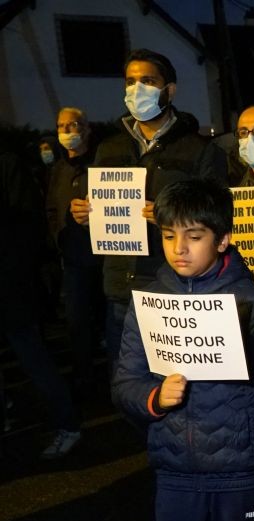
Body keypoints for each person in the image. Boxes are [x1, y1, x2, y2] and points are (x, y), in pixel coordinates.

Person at [111, 179, 254, 521]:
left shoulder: (253, 304)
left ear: (222, 239)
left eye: (194, 237)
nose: (179, 248)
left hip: (242, 475)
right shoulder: (148, 302)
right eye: (168, 236)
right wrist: (154, 397)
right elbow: (124, 384)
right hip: (174, 473)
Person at [69, 49, 227, 373]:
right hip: (120, 291)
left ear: (169, 90)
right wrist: (85, 215)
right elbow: (101, 210)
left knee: (179, 385)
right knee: (129, 387)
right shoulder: (108, 148)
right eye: (131, 81)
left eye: (148, 80)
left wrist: (172, 217)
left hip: (172, 288)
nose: (137, 89)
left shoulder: (199, 150)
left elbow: (218, 214)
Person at [1, 149, 81, 459]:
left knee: (34, 361)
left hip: (10, 290)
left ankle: (68, 426)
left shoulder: (9, 162)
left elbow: (28, 226)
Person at [45, 107, 105, 389]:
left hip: (104, 261)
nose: (67, 131)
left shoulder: (102, 166)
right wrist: (58, 238)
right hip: (73, 262)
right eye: (61, 126)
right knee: (77, 323)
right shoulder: (57, 170)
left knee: (108, 322)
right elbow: (51, 209)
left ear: (87, 128)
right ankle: (85, 377)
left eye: (73, 125)